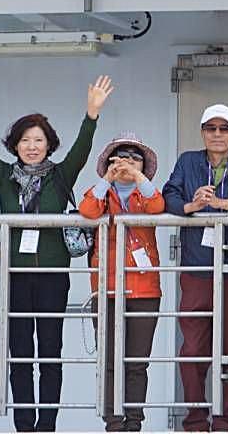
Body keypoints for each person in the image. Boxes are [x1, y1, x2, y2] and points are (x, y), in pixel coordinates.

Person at [0, 76, 114, 432]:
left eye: (38, 140)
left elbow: (82, 149)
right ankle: (24, 425)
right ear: (15, 145)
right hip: (14, 277)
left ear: (49, 145)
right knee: (18, 352)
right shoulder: (4, 175)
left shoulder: (61, 175)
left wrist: (92, 114)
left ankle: (46, 425)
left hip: (52, 277)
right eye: (25, 141)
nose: (32, 147)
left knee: (49, 351)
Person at [162, 104, 228, 431]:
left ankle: (224, 422)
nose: (217, 134)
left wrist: (223, 204)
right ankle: (195, 420)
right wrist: (191, 206)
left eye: (224, 129)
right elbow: (168, 196)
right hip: (196, 267)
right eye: (211, 128)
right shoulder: (187, 161)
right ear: (202, 132)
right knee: (192, 350)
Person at [79, 132, 164, 431]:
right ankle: (114, 423)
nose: (126, 163)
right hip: (107, 288)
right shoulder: (101, 193)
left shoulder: (146, 192)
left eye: (134, 158)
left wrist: (138, 177)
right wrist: (108, 178)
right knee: (110, 361)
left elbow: (157, 206)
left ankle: (134, 423)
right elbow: (87, 210)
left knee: (137, 362)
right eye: (120, 157)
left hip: (145, 289)